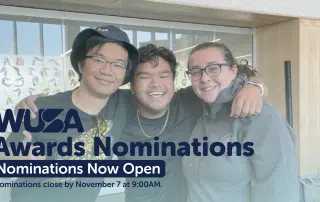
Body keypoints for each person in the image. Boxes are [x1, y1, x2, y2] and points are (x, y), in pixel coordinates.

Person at [12, 44, 263, 202]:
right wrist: (34, 103)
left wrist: (253, 86)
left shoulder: (189, 101)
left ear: (174, 81)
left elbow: (233, 75)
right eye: (144, 77)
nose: (155, 85)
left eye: (164, 76)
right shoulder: (117, 105)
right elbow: (81, 96)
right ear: (131, 85)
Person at [2, 25, 139, 202]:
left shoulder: (126, 103)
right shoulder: (40, 109)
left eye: (118, 64)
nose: (107, 70)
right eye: (98, 60)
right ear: (81, 65)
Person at [182, 42, 300, 202]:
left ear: (233, 70)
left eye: (214, 68)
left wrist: (254, 86)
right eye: (196, 72)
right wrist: (255, 84)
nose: (204, 78)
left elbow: (279, 192)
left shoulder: (259, 115)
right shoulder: (199, 105)